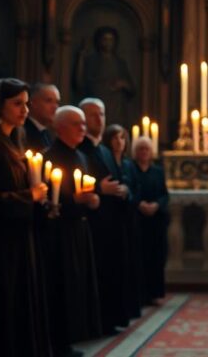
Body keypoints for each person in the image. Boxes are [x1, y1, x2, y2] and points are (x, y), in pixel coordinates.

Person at [0, 78, 52, 357]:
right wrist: (32, 196)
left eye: (27, 103)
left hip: (20, 240)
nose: (25, 110)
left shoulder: (15, 142)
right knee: (1, 309)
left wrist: (44, 201)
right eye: (17, 103)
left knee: (21, 308)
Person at [42, 105, 103, 354]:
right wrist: (74, 202)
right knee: (61, 286)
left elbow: (91, 192)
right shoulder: (49, 157)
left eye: (83, 124)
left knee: (78, 286)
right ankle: (58, 341)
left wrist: (94, 200)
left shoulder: (81, 156)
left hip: (80, 230)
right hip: (59, 232)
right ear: (61, 127)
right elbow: (47, 199)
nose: (83, 128)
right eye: (77, 124)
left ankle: (72, 337)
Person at [78, 97, 133, 333]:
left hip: (112, 221)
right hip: (93, 222)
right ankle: (96, 322)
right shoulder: (80, 148)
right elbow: (77, 183)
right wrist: (101, 189)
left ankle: (111, 319)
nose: (98, 119)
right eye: (92, 115)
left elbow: (119, 179)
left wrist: (123, 190)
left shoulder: (104, 150)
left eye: (101, 114)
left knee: (112, 271)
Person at [104, 123, 144, 315]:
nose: (119, 142)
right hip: (113, 219)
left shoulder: (129, 164)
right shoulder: (107, 160)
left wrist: (128, 193)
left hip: (129, 218)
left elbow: (137, 190)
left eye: (122, 138)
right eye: (114, 138)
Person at [130, 135, 169, 304]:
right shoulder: (130, 169)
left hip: (155, 221)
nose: (144, 152)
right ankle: (139, 294)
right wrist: (139, 204)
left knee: (155, 257)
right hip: (137, 220)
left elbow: (164, 194)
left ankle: (154, 293)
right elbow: (129, 190)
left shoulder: (158, 171)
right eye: (140, 149)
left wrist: (156, 205)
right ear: (135, 152)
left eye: (147, 148)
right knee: (138, 257)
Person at [26, 82, 60, 151]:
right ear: (33, 103)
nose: (55, 107)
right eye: (49, 101)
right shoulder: (23, 132)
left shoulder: (47, 133)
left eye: (57, 102)